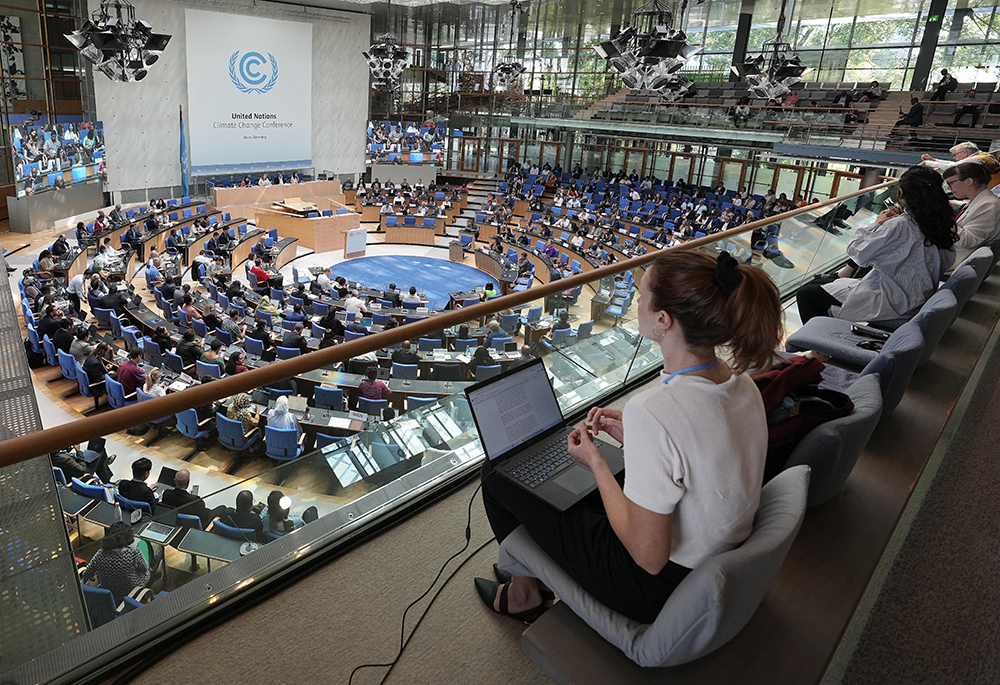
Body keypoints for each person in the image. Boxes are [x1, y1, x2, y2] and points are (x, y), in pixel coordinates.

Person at [474, 249, 783, 624]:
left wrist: (597, 463)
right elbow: (697, 449)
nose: (636, 301)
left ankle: (523, 594)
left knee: (496, 478)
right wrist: (636, 438)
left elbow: (647, 556)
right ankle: (527, 568)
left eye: (642, 294)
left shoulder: (655, 409)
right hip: (713, 555)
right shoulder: (742, 383)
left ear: (663, 321)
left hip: (654, 585)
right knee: (572, 494)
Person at [796, 166, 957, 324]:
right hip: (919, 295)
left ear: (900, 193)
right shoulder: (941, 222)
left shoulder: (902, 224)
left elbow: (858, 253)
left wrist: (878, 224)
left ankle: (818, 349)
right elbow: (947, 260)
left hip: (894, 301)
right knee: (819, 285)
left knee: (806, 294)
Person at [941, 162, 1000, 268]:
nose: (949, 188)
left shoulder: (989, 205)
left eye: (950, 183)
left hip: (954, 260)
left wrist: (942, 217)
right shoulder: (980, 201)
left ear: (969, 181)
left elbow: (968, 241)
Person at [80, 521, 149, 605]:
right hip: (132, 589)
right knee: (146, 572)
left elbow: (87, 572)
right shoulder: (134, 552)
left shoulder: (100, 554)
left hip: (109, 590)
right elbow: (144, 568)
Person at [160, 468, 227, 532]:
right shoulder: (196, 501)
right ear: (188, 481)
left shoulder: (167, 494)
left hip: (176, 524)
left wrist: (187, 495)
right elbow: (205, 518)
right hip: (194, 528)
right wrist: (190, 496)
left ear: (174, 480)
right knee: (222, 508)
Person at [922, 142, 1000, 188]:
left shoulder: (976, 159)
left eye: (955, 155)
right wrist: (934, 160)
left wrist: (927, 162)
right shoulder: (983, 155)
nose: (954, 157)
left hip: (992, 189)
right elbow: (954, 164)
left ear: (964, 153)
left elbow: (953, 167)